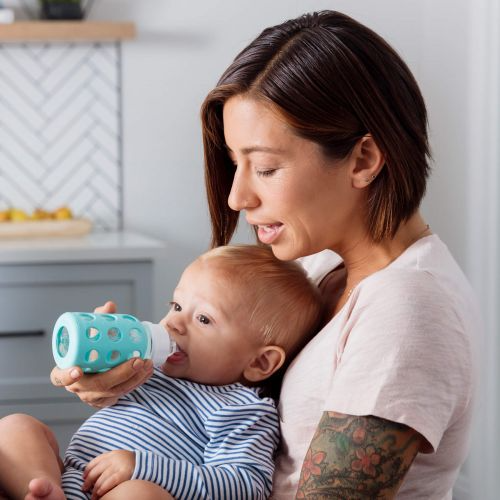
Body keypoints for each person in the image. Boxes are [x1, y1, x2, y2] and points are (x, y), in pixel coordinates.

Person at [48, 10, 478, 499]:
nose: (236, 197)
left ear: (363, 159)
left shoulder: (407, 308)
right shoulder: (316, 266)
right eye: (235, 164)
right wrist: (133, 382)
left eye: (267, 168)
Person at [0, 245, 322, 500]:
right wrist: (96, 353)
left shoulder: (243, 410)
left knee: (140, 494)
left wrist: (143, 468)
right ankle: (41, 489)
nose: (172, 323)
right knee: (14, 427)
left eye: (204, 319)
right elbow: (96, 385)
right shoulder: (147, 368)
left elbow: (245, 486)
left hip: (125, 491)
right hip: (70, 480)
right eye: (177, 306)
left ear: (259, 363)